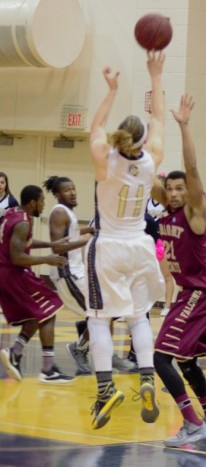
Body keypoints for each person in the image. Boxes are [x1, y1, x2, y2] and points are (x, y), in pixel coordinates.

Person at [86, 51, 166, 430]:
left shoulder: (106, 159)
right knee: (138, 317)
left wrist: (112, 89)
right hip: (141, 246)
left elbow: (95, 127)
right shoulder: (151, 160)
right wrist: (156, 76)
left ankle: (105, 389)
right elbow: (160, 118)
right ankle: (148, 377)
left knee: (99, 319)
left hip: (110, 246)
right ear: (143, 139)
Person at [152, 94, 206, 448]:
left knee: (160, 358)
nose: (176, 192)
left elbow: (192, 170)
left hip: (200, 290)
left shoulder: (196, 215)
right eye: (171, 188)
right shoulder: (165, 211)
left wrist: (183, 125)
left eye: (181, 188)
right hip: (191, 293)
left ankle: (192, 424)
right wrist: (154, 116)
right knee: (187, 363)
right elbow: (149, 169)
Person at [43, 175, 136, 374]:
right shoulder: (59, 213)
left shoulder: (67, 212)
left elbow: (70, 234)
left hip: (76, 272)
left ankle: (83, 348)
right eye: (67, 190)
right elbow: (59, 246)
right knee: (101, 312)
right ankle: (88, 351)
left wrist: (89, 230)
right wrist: (90, 240)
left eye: (74, 188)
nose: (73, 192)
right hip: (67, 273)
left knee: (105, 310)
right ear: (58, 194)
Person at [0, 185, 74, 384]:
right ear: (33, 203)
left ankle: (15, 352)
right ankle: (48, 370)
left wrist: (50, 245)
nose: (43, 204)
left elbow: (24, 242)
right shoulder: (23, 222)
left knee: (36, 314)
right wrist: (47, 259)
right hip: (14, 274)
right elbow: (17, 257)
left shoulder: (12, 213)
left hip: (6, 273)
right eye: (42, 201)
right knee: (50, 310)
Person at [146, 174, 175, 317]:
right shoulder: (146, 201)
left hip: (162, 242)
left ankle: (168, 305)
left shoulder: (169, 204)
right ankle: (137, 306)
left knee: (167, 275)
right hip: (146, 242)